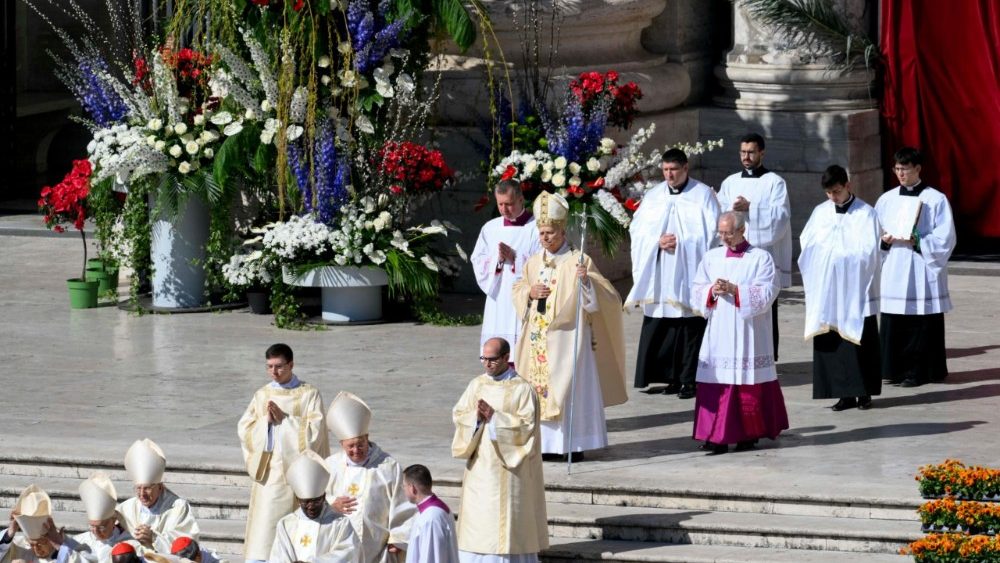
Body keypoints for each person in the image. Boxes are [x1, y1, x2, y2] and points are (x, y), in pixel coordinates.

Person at [511, 191, 627, 460]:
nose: (545, 238)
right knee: (538, 391)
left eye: (550, 232)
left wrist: (587, 282)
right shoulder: (534, 262)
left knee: (567, 389)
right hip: (538, 337)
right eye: (541, 233)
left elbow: (606, 297)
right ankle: (546, 446)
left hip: (569, 339)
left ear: (562, 230)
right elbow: (518, 286)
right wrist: (529, 292)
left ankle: (572, 445)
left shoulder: (579, 261)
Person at [625, 148, 721, 399]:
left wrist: (682, 242)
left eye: (674, 170)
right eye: (665, 170)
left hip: (689, 271)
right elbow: (637, 230)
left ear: (685, 168)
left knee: (690, 326)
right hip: (661, 272)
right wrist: (656, 241)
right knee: (663, 323)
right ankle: (669, 378)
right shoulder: (654, 195)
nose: (669, 175)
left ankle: (689, 380)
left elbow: (711, 234)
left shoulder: (702, 195)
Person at [691, 212, 789, 455]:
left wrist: (735, 290)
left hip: (749, 332)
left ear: (742, 230)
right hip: (720, 330)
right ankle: (715, 435)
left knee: (748, 382)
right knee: (717, 381)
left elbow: (768, 292)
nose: (723, 237)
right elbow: (696, 288)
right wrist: (712, 291)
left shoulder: (761, 258)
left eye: (728, 233)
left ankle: (748, 434)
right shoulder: (712, 257)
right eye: (720, 232)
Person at [452, 337, 547, 562]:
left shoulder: (522, 389)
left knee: (506, 527)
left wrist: (495, 418)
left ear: (506, 357)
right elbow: (459, 414)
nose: (486, 364)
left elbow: (527, 427)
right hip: (480, 469)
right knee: (478, 525)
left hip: (509, 472)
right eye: (483, 358)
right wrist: (475, 418)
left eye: (492, 359)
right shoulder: (477, 384)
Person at [799, 165, 882, 410]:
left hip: (855, 287)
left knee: (860, 337)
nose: (832, 198)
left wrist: (841, 257)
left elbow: (869, 250)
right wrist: (825, 256)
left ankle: (864, 392)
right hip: (828, 287)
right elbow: (807, 242)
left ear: (848, 185)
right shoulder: (820, 212)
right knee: (832, 338)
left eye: (836, 191)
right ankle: (843, 393)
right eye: (828, 193)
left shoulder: (866, 213)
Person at [237, 343, 330, 563]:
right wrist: (266, 424)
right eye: (269, 367)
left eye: (279, 366)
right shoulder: (262, 395)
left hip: (301, 476)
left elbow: (316, 433)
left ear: (291, 364)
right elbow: (245, 430)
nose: (274, 372)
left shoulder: (309, 394)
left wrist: (286, 421)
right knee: (265, 537)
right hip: (271, 474)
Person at [875, 147, 956, 387]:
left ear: (918, 169)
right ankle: (894, 369)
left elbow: (946, 237)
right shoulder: (886, 199)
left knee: (920, 321)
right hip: (895, 265)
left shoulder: (935, 199)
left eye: (905, 169)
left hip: (921, 267)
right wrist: (883, 241)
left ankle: (920, 371)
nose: (900, 173)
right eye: (897, 169)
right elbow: (874, 233)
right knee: (894, 319)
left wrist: (919, 241)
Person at [717, 133, 792, 360]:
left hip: (761, 256)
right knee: (733, 303)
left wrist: (753, 207)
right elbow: (720, 213)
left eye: (751, 152)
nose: (746, 157)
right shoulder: (730, 182)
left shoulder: (775, 182)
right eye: (742, 152)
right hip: (734, 256)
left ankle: (766, 356)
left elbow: (781, 217)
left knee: (763, 305)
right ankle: (735, 353)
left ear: (762, 153)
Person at [324, 392, 414, 563]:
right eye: (351, 446)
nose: (356, 450)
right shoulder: (330, 466)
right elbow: (314, 500)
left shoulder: (388, 466)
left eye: (360, 444)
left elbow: (403, 503)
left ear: (367, 438)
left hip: (376, 547)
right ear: (341, 444)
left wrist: (399, 538)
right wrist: (331, 505)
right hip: (338, 547)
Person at [470, 180, 542, 349]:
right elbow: (477, 259)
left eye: (509, 204)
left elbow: (543, 262)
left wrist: (515, 258)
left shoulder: (536, 228)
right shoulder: (490, 228)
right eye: (500, 204)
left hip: (524, 295)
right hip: (498, 294)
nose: (504, 209)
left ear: (520, 200)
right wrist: (498, 259)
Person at [269, 451, 359, 563]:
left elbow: (349, 553)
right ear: (297, 500)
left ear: (324, 497)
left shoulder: (340, 524)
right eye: (305, 502)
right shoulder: (286, 524)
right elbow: (278, 557)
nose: (311, 506)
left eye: (316, 501)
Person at [116, 439, 200, 555]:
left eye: (147, 488)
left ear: (160, 487)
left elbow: (188, 542)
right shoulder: (126, 508)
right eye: (138, 488)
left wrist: (154, 538)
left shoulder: (178, 507)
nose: (142, 494)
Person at [53, 472, 135, 563]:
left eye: (101, 527)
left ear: (113, 521)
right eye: (92, 526)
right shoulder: (82, 540)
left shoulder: (129, 542)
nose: (95, 532)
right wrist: (62, 543)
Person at [400, 465, 458, 563]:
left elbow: (430, 557)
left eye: (404, 486)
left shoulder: (431, 518)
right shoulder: (434, 510)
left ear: (412, 488)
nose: (403, 490)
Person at [1, 486, 57, 563]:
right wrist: (9, 534)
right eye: (32, 544)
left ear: (51, 540)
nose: (36, 549)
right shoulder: (20, 545)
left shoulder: (65, 550)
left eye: (40, 543)